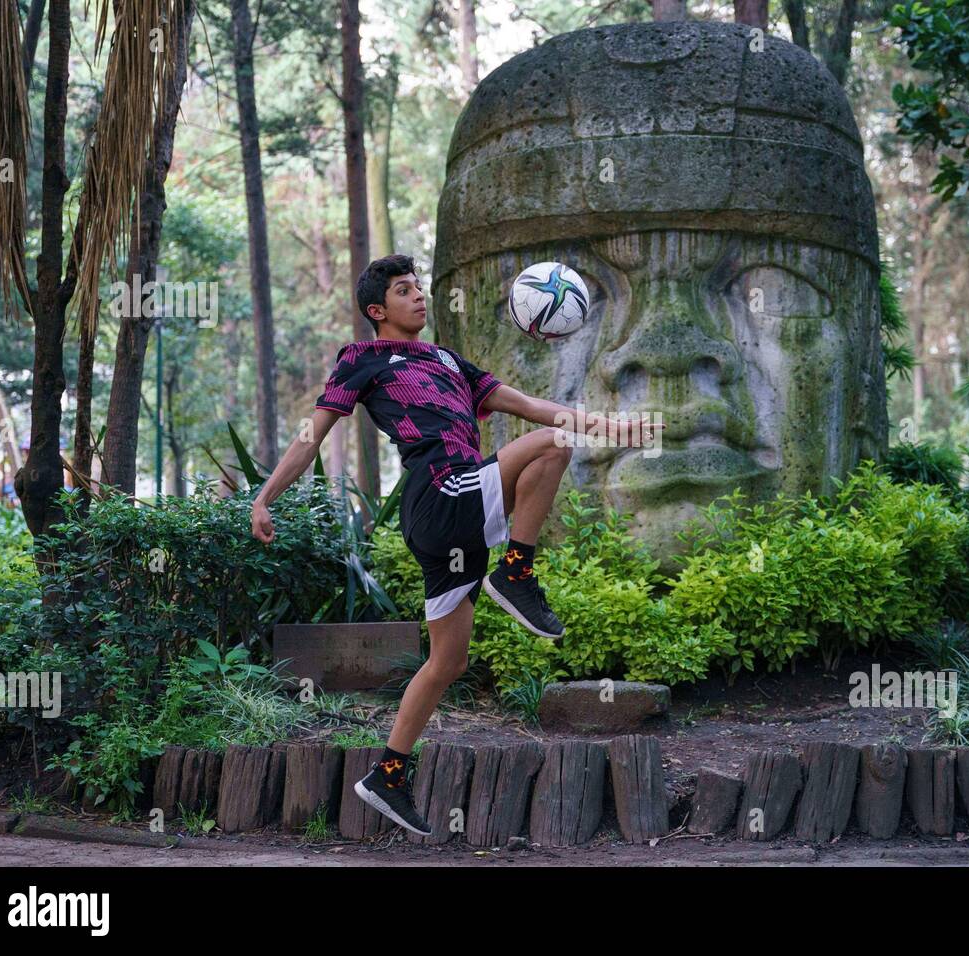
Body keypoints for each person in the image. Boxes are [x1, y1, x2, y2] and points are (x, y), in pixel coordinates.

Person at [249, 254, 662, 836]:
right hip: (440, 492)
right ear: (377, 310)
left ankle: (388, 774)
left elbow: (530, 406)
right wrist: (264, 497)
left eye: (418, 287)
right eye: (402, 290)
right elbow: (310, 436)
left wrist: (617, 427)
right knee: (553, 445)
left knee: (448, 661)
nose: (418, 296)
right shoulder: (363, 360)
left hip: (457, 520)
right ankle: (516, 571)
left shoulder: (449, 361)